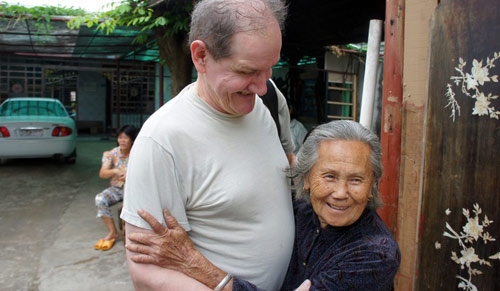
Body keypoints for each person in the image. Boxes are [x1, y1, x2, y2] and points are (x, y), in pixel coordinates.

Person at [120, 0, 295, 290]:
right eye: (247, 71)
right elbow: (146, 275)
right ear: (201, 56)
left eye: (269, 69)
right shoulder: (162, 140)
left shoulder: (268, 100)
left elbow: (285, 165)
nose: (262, 85)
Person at [126, 120, 401, 290]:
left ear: (372, 184)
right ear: (305, 178)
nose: (341, 193)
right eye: (329, 177)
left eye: (356, 180)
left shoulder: (375, 254)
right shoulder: (300, 213)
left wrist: (194, 263)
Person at [94, 124, 138, 251]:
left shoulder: (138, 153)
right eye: (120, 137)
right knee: (100, 199)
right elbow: (103, 173)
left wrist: (130, 177)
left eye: (126, 138)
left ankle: (131, 235)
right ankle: (113, 232)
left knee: (129, 209)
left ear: (132, 140)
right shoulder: (112, 153)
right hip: (117, 189)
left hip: (133, 189)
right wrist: (115, 172)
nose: (122, 141)